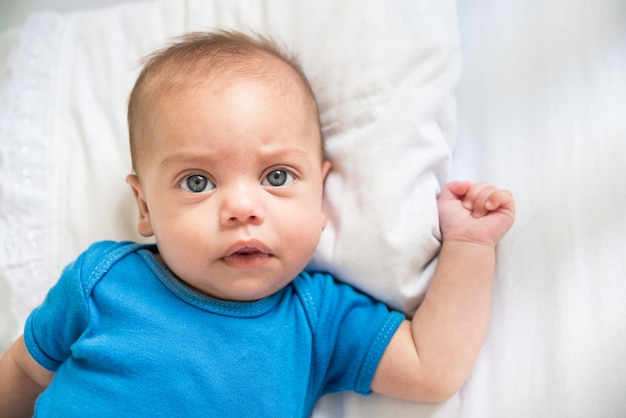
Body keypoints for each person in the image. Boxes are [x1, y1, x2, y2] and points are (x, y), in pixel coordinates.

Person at [0, 30, 515, 417]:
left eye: (276, 175)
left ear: (321, 194)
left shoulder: (315, 320)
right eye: (198, 182)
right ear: (145, 208)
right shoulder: (104, 281)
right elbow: (25, 369)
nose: (242, 208)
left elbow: (432, 368)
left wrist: (469, 245)